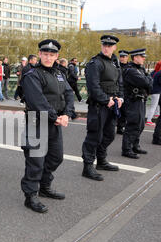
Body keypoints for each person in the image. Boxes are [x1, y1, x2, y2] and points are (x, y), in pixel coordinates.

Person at [20, 39, 76, 213]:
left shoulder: (59, 74)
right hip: (37, 122)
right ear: (39, 54)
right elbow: (37, 101)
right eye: (45, 54)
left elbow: (69, 94)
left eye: (52, 55)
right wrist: (56, 117)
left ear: (57, 56)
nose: (48, 57)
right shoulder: (32, 75)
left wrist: (67, 113)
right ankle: (30, 196)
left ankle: (44, 187)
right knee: (35, 161)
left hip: (55, 122)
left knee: (56, 157)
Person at [81, 35, 124, 182]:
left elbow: (119, 83)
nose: (106, 47)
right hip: (99, 105)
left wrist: (120, 97)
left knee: (109, 134)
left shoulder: (115, 62)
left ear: (114, 47)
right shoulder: (95, 63)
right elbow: (93, 86)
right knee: (94, 136)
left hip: (112, 104)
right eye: (104, 45)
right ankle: (87, 167)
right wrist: (106, 100)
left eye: (109, 45)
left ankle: (101, 161)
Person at [121, 48, 153, 159]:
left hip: (141, 99)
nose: (144, 58)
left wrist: (148, 80)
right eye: (142, 56)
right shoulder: (130, 70)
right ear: (135, 57)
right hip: (133, 100)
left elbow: (150, 82)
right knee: (133, 124)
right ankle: (127, 148)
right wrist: (148, 80)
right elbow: (145, 82)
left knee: (140, 124)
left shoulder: (141, 69)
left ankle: (135, 145)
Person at [147, 61, 161, 125]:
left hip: (152, 91)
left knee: (156, 104)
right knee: (153, 106)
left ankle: (157, 114)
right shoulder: (160, 73)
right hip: (157, 91)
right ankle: (149, 120)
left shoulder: (153, 73)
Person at [116, 50, 129, 135]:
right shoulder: (116, 66)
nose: (122, 58)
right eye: (121, 56)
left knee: (124, 110)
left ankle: (121, 127)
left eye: (124, 57)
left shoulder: (130, 67)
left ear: (127, 57)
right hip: (118, 90)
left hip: (127, 91)